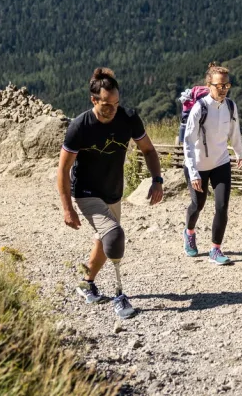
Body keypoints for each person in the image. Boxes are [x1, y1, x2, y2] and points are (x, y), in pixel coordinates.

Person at [57, 67, 163, 319]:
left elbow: (148, 150)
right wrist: (67, 208)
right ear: (93, 100)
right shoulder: (79, 126)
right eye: (107, 105)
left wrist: (157, 180)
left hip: (113, 191)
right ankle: (119, 295)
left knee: (105, 241)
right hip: (86, 191)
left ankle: (86, 283)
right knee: (114, 235)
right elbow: (63, 169)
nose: (113, 109)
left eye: (116, 103)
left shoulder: (128, 118)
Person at [182, 62, 242, 265]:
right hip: (198, 165)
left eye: (227, 85)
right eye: (219, 85)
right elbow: (188, 142)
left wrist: (238, 152)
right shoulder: (200, 108)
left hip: (221, 162)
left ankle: (215, 249)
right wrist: (193, 172)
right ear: (209, 85)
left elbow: (235, 131)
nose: (224, 89)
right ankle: (189, 232)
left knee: (222, 206)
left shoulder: (230, 106)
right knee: (197, 205)